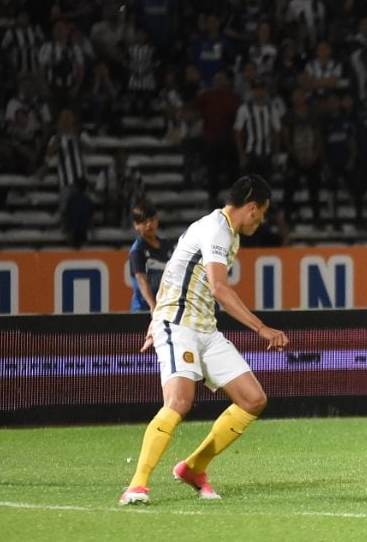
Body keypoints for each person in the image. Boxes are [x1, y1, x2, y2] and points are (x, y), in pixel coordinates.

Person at [120, 175, 290, 506]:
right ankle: (137, 485)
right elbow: (219, 288)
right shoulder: (217, 228)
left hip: (205, 328)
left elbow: (182, 271)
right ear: (252, 207)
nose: (263, 220)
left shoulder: (227, 233)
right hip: (178, 324)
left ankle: (195, 467)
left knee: (253, 399)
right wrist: (261, 328)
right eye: (263, 213)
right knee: (179, 402)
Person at [127, 200, 172, 313]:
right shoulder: (137, 250)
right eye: (144, 222)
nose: (149, 225)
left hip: (166, 308)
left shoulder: (167, 246)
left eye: (152, 220)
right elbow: (141, 280)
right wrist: (153, 305)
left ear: (157, 220)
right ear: (136, 225)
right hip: (143, 309)